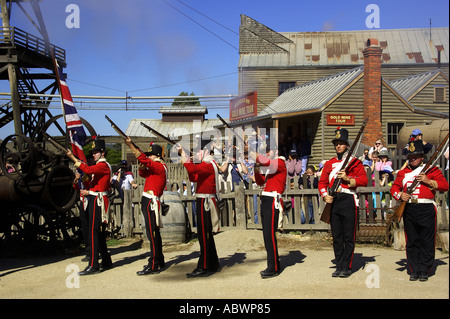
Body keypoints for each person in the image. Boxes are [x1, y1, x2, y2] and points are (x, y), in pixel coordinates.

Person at [390, 139, 448, 282]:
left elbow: (444, 185)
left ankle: (425, 269)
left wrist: (428, 181)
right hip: (409, 208)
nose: (413, 158)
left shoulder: (432, 170)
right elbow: (394, 188)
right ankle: (414, 269)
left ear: (422, 157)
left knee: (427, 240)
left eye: (416, 156)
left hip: (426, 207)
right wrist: (400, 195)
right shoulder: (403, 173)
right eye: (410, 156)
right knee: (412, 240)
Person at [318, 128, 368, 278]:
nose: (338, 146)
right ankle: (339, 265)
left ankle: (347, 266)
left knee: (348, 236)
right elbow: (321, 183)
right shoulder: (330, 163)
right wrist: (325, 195)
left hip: (348, 199)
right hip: (334, 200)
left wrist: (347, 179)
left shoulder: (354, 162)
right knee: (337, 236)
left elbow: (364, 181)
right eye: (336, 144)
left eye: (341, 143)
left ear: (347, 145)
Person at [66, 138, 113, 275]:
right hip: (95, 198)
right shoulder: (99, 166)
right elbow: (89, 178)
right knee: (98, 232)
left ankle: (93, 264)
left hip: (97, 200)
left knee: (94, 232)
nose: (93, 154)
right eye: (93, 152)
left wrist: (72, 158)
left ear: (102, 153)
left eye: (96, 152)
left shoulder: (103, 165)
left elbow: (87, 169)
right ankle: (105, 261)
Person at [177, 140, 220, 277]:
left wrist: (183, 155)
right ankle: (213, 262)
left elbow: (193, 170)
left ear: (205, 151)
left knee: (204, 235)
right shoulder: (206, 164)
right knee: (206, 234)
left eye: (198, 151)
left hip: (205, 201)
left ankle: (205, 266)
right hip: (204, 199)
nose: (195, 154)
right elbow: (193, 177)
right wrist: (188, 162)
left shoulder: (207, 164)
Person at [125, 139, 167, 275]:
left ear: (157, 156)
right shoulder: (155, 167)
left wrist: (131, 145)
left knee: (152, 234)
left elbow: (146, 162)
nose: (149, 156)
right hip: (149, 200)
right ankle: (159, 260)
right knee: (154, 233)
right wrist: (143, 162)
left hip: (151, 201)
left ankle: (153, 263)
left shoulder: (159, 166)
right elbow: (143, 173)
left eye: (151, 154)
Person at [250, 144, 287, 278]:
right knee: (267, 235)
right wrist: (256, 166)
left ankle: (273, 267)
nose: (266, 153)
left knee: (270, 235)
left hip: (273, 199)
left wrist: (253, 153)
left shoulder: (280, 162)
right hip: (266, 198)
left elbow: (267, 162)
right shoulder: (270, 165)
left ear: (276, 151)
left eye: (268, 150)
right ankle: (273, 264)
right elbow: (260, 181)